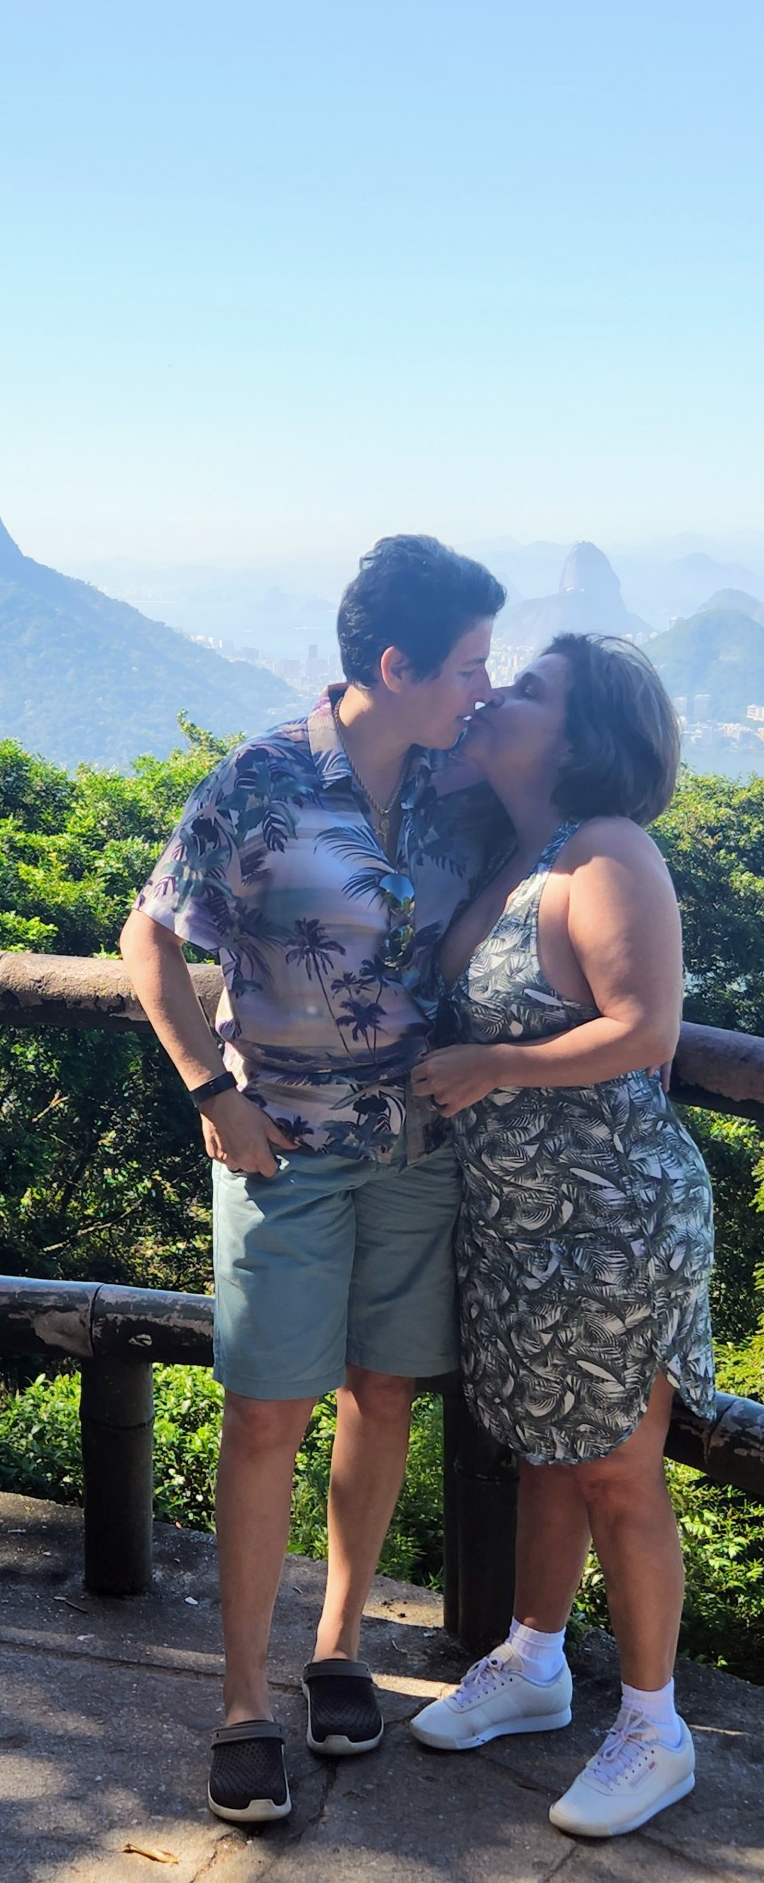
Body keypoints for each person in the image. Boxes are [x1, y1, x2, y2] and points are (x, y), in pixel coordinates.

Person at [119, 535, 509, 1822]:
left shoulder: (461, 784)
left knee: (382, 1390)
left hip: (418, 1145)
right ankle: (242, 1704)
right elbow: (149, 938)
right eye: (468, 666)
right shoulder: (262, 781)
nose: (483, 688)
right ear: (395, 667)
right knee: (265, 1414)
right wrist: (208, 1089)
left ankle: (338, 1646)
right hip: (280, 1144)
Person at [409, 634, 716, 1840]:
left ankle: (655, 1728)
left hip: (611, 1216)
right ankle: (534, 1664)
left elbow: (645, 1031)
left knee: (617, 1470)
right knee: (544, 1449)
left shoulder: (608, 851)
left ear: (581, 739)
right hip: (517, 1217)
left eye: (527, 689)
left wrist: (493, 1062)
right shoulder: (517, 853)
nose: (496, 694)